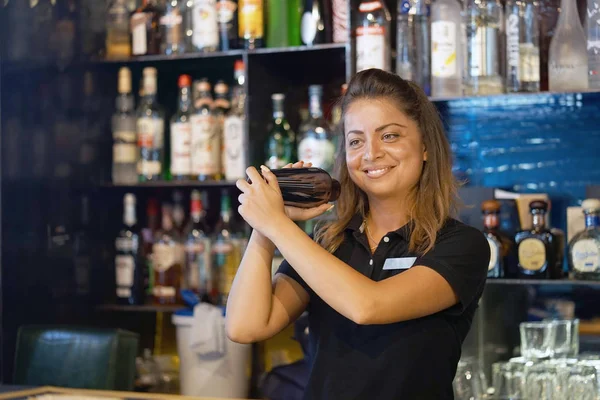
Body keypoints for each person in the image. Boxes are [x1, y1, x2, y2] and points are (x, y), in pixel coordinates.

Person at [225, 69, 490, 399]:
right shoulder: (331, 242)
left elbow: (368, 306)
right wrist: (266, 228)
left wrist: (278, 226)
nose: (371, 153)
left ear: (425, 145)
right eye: (355, 140)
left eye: (389, 136)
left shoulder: (459, 244)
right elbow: (245, 326)